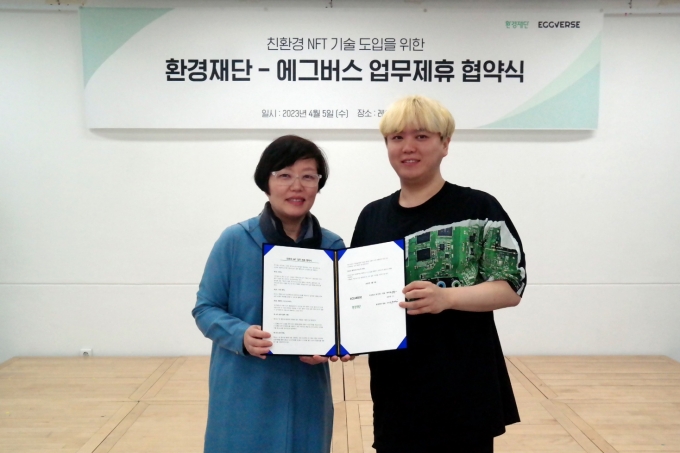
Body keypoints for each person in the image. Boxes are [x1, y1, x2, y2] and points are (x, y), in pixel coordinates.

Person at [350, 95, 527, 453]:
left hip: (465, 391)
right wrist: (336, 340)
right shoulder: (372, 216)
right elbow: (357, 301)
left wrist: (447, 297)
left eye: (422, 136)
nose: (408, 147)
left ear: (445, 144)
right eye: (397, 137)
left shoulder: (479, 207)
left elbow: (511, 287)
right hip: (395, 392)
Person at [192, 135, 346, 453]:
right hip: (245, 390)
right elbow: (205, 308)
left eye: (308, 176)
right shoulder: (235, 240)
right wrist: (241, 335)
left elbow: (342, 318)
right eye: (284, 175)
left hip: (307, 391)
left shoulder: (332, 247)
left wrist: (338, 344)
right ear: (266, 182)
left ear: (318, 184)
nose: (297, 186)